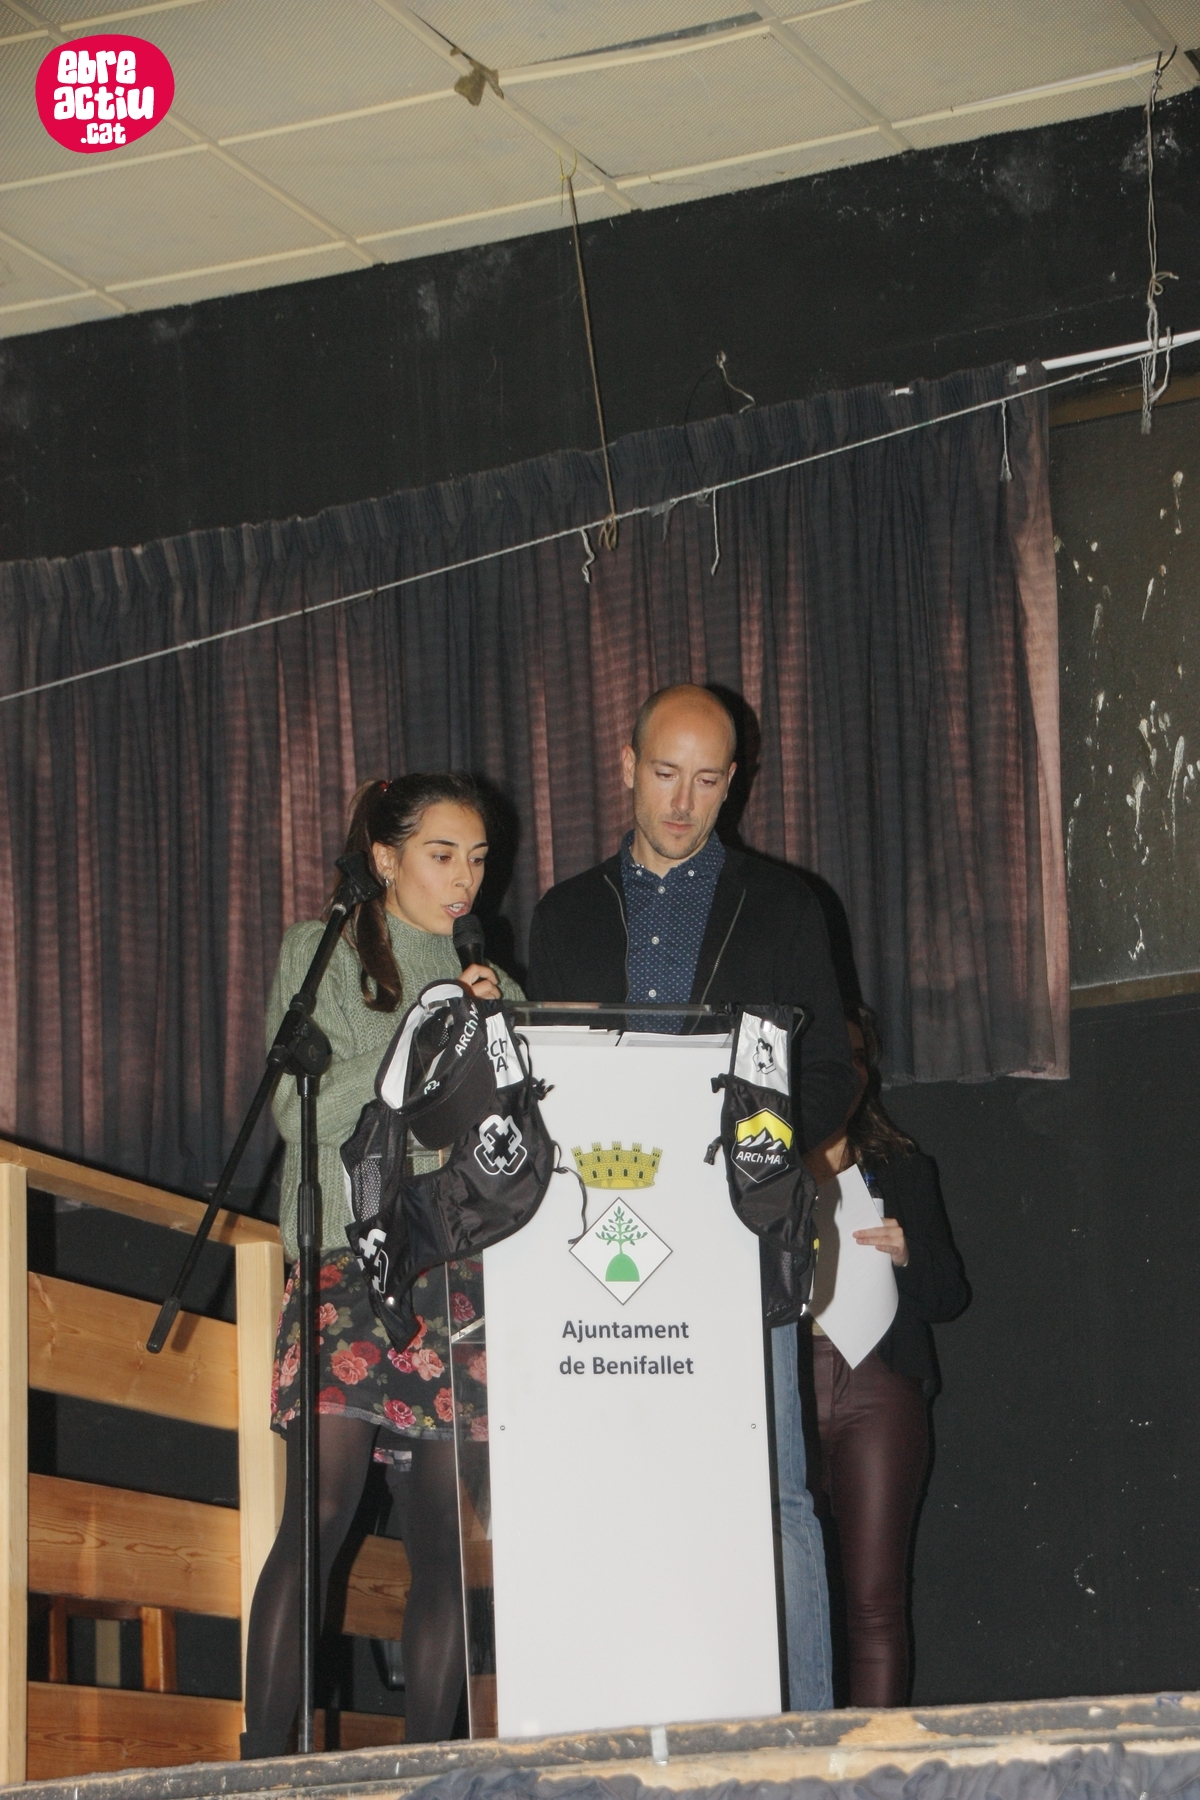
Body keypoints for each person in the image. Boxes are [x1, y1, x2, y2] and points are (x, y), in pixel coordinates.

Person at [526, 683, 860, 1713]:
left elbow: (833, 1073)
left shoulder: (786, 904)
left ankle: (802, 1742)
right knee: (614, 1481)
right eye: (666, 774)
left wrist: (757, 1159)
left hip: (736, 1231)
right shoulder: (566, 913)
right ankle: (627, 1718)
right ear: (627, 765)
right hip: (603, 1238)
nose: (682, 802)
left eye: (708, 780)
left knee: (774, 1490)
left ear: (734, 783)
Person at [241, 773, 523, 1760]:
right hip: (347, 1262)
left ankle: (431, 1772)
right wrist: (425, 1031)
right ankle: (263, 1766)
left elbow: (513, 1144)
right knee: (318, 1515)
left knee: (442, 1535)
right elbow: (301, 1113)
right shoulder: (320, 954)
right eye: (443, 855)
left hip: (457, 1274)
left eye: (478, 859)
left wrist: (500, 1034)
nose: (465, 879)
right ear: (384, 856)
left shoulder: (494, 979)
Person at [804, 1005, 968, 1708]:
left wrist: (908, 1252)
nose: (846, 1075)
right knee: (796, 1593)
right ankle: (799, 1749)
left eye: (856, 1061)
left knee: (874, 1600)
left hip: (879, 1387)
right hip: (782, 1388)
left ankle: (875, 1754)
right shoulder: (757, 1168)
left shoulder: (901, 1167)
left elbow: (948, 1296)